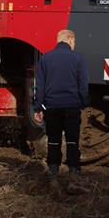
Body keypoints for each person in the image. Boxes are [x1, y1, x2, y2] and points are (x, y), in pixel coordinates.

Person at [33, 29, 90, 195]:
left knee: (53, 142)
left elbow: (39, 87)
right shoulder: (78, 59)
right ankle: (74, 180)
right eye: (74, 42)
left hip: (52, 108)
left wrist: (38, 107)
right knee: (72, 143)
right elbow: (83, 85)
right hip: (72, 107)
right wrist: (83, 103)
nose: (74, 45)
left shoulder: (45, 59)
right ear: (70, 40)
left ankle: (53, 179)